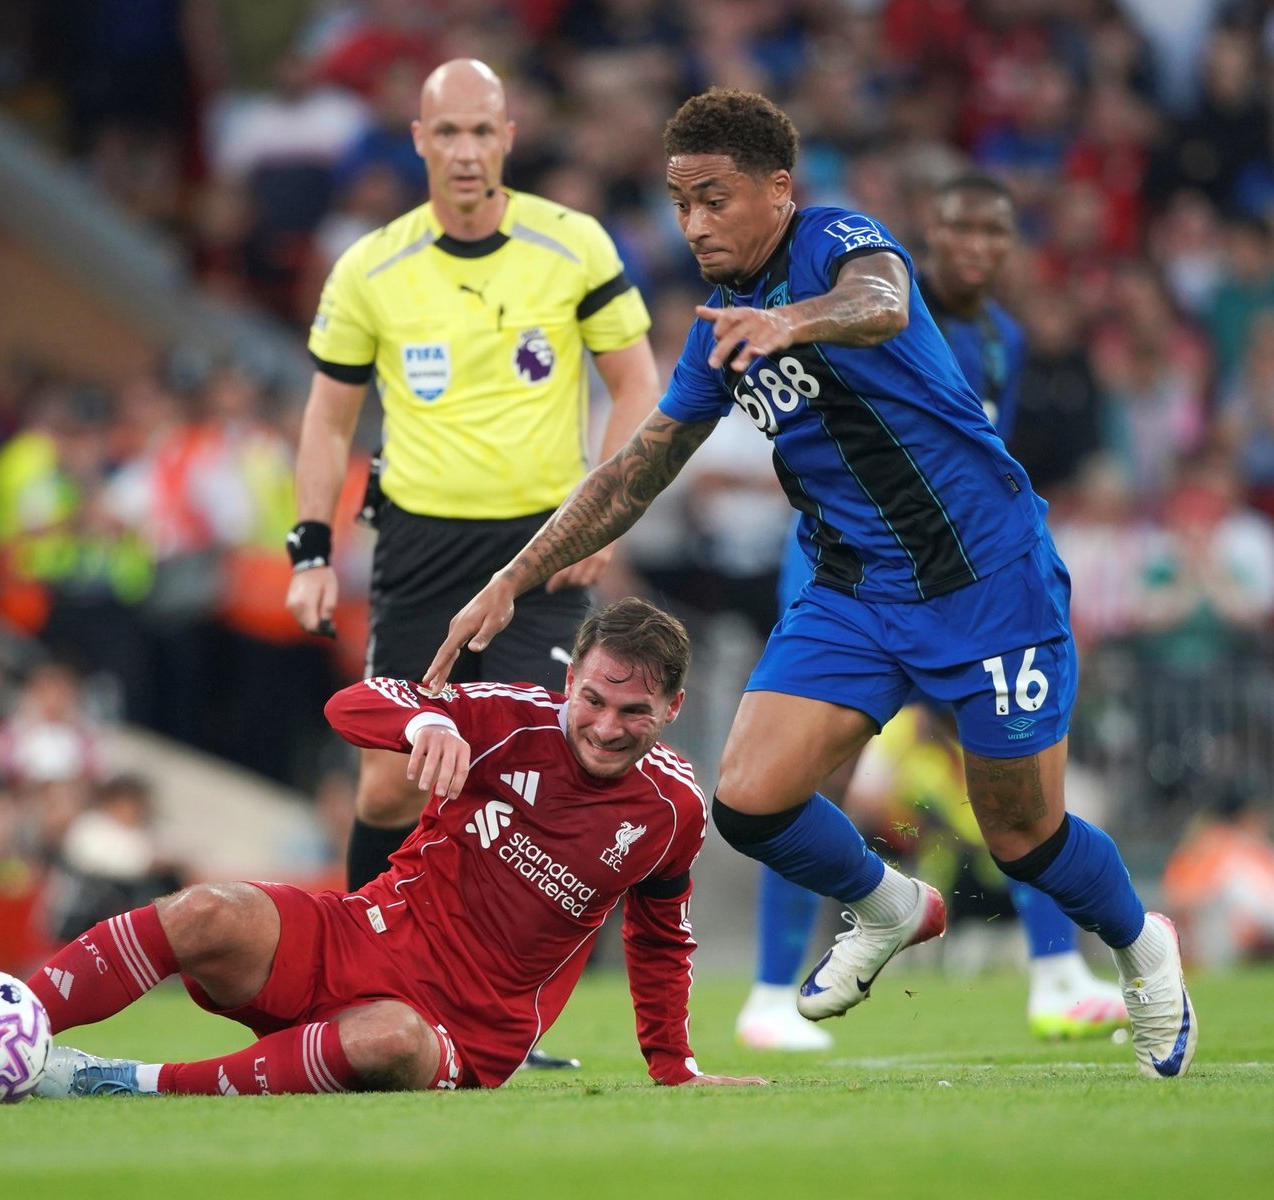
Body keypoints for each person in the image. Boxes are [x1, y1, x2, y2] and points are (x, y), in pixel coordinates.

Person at [427, 89, 1197, 1080]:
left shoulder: (836, 240)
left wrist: (789, 321)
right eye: (680, 203)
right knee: (748, 801)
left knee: (1021, 835)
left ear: (778, 190)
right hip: (856, 590)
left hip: (987, 578)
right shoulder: (718, 334)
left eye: (715, 199)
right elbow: (633, 473)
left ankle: (1142, 945)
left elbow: (882, 303)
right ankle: (885, 905)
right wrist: (511, 577)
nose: (694, 223)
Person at [24, 598, 763, 1097]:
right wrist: (425, 723)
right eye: (593, 700)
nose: (604, 727)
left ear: (673, 708)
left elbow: (660, 939)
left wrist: (675, 1066)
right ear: (570, 680)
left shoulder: (672, 810)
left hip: (465, 1030)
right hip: (359, 936)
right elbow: (350, 703)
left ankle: (122, 1081)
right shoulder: (508, 720)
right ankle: (9, 1022)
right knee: (206, 910)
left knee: (388, 1039)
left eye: (634, 712)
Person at [736, 174, 1126, 1052]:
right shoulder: (871, 307)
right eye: (957, 230)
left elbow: (981, 456)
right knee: (799, 785)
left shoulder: (1002, 340)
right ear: (926, 237)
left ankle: (1058, 973)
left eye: (994, 232)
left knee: (1016, 784)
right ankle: (768, 990)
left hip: (959, 590)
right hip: (853, 582)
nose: (975, 248)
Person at [283, 57, 662, 894]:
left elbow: (638, 385)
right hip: (418, 546)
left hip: (541, 549)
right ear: (420, 139)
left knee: (538, 773)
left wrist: (605, 517)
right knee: (390, 784)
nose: (465, 150)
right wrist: (310, 551)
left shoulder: (573, 243)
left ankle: (518, 977)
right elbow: (329, 418)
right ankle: (371, 957)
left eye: (482, 131)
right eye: (448, 131)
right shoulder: (369, 267)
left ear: (508, 137)